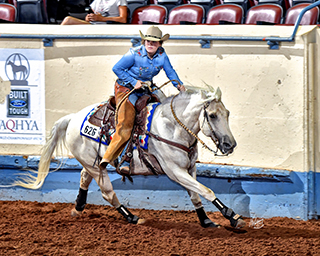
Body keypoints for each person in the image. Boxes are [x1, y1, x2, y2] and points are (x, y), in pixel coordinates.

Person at [99, 26, 185, 173]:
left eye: (155, 42)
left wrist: (178, 84)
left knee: (164, 107)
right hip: (126, 88)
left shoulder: (162, 55)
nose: (150, 44)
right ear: (144, 41)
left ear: (160, 44)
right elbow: (117, 69)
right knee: (127, 121)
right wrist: (134, 82)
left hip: (146, 88)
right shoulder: (133, 54)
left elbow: (170, 71)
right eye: (148, 41)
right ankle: (116, 157)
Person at [60, 0, 128, 25]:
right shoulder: (96, 1)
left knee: (68, 20)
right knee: (68, 20)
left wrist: (102, 19)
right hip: (93, 25)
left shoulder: (120, 0)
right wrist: (88, 18)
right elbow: (95, 15)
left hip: (108, 26)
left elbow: (123, 19)